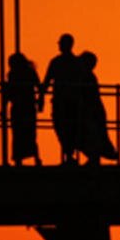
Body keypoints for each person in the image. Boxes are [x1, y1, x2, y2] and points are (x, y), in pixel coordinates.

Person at [40, 33, 82, 164]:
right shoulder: (75, 63)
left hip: (64, 102)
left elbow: (46, 82)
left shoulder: (57, 62)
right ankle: (69, 155)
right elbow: (47, 82)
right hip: (69, 102)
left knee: (64, 128)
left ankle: (68, 156)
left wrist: (41, 98)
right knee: (66, 128)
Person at [75, 51, 117, 164]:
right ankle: (96, 156)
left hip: (90, 109)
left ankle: (94, 157)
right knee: (94, 134)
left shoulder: (86, 76)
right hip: (94, 108)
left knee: (90, 134)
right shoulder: (89, 76)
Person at [3, 52, 42, 166]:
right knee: (30, 133)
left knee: (18, 134)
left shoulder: (12, 74)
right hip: (28, 106)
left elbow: (8, 92)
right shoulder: (30, 72)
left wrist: (4, 108)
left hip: (19, 107)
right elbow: (39, 86)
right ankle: (35, 158)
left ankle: (19, 160)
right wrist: (40, 101)